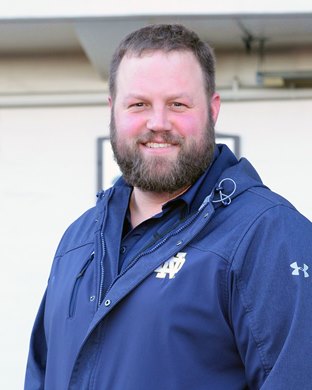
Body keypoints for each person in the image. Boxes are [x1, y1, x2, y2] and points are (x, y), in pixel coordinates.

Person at [25, 24, 312, 390]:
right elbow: (40, 374)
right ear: (113, 110)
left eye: (178, 104)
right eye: (138, 104)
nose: (157, 124)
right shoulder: (78, 241)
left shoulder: (269, 236)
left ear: (212, 109)